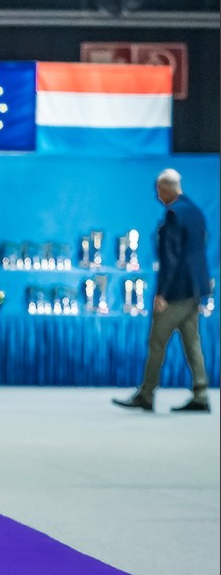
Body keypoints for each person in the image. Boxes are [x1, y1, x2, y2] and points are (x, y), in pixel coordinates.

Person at [114, 168, 212, 414]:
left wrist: (162, 294)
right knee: (192, 342)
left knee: (157, 341)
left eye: (159, 190)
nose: (157, 196)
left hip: (176, 290)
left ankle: (146, 394)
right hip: (195, 288)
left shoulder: (173, 214)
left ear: (168, 188)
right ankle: (201, 394)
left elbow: (171, 258)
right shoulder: (197, 212)